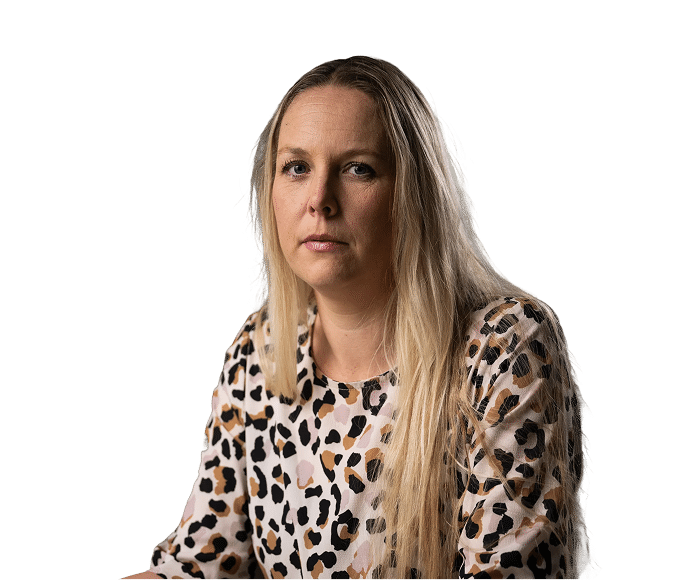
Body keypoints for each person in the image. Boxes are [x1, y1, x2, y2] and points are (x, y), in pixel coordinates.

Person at [121, 55, 596, 580]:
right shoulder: (261, 353)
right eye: (296, 167)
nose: (319, 200)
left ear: (415, 195)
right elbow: (199, 565)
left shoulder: (504, 347)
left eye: (358, 169)